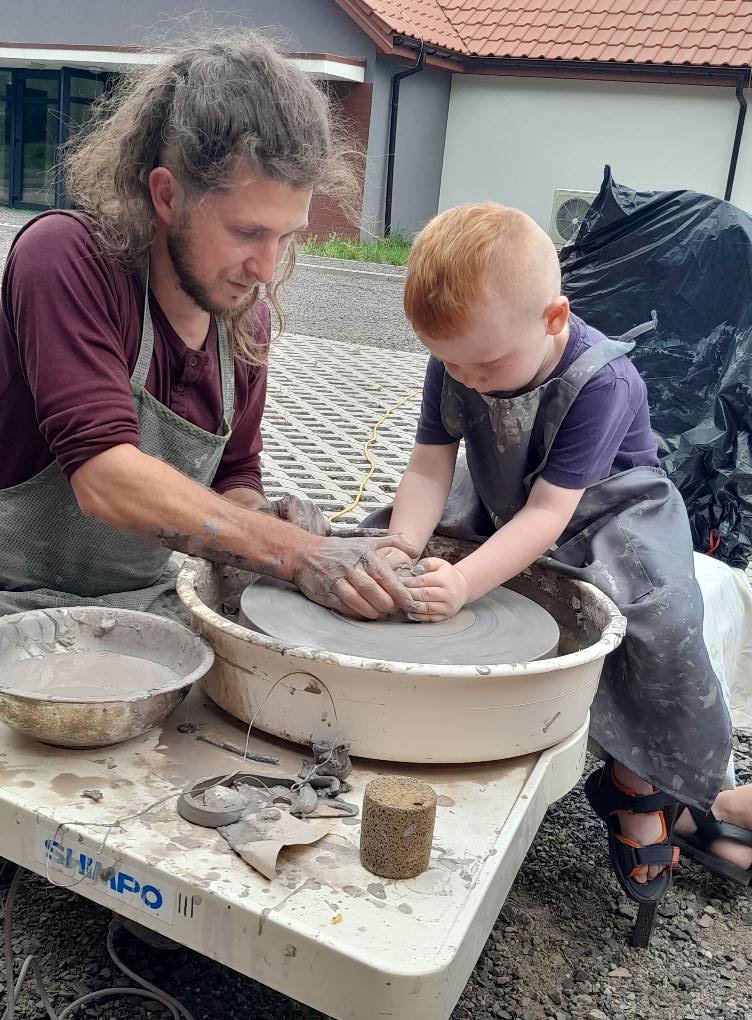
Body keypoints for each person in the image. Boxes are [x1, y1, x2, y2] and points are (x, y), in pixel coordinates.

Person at [376, 202, 751, 900]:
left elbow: (552, 514)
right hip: (505, 494)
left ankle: (653, 781)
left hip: (610, 512)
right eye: (449, 362)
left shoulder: (604, 380)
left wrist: (464, 584)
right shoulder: (461, 360)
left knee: (663, 618)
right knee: (381, 548)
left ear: (553, 319)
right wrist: (403, 546)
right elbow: (429, 468)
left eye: (484, 363)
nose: (465, 378)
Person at [0, 30, 417, 624]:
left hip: (144, 604)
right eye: (247, 232)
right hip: (14, 598)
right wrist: (292, 552)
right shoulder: (66, 258)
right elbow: (105, 476)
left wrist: (266, 518)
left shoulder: (245, 324)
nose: (266, 269)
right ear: (167, 195)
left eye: (286, 236)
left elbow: (233, 477)